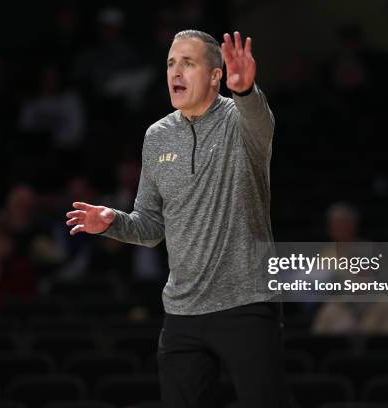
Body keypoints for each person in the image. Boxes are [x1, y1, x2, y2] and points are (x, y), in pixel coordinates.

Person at [66, 30, 290, 407]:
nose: (176, 72)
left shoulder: (240, 121)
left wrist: (247, 91)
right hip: (182, 312)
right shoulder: (156, 136)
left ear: (215, 75)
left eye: (188, 63)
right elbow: (151, 227)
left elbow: (260, 122)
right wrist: (113, 221)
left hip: (246, 303)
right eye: (171, 63)